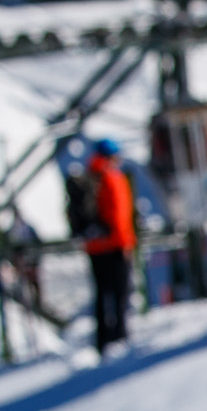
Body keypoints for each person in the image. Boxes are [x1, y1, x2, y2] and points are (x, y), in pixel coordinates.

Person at [83, 138, 135, 355]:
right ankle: (119, 337)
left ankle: (102, 339)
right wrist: (125, 243)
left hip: (95, 245)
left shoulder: (90, 176)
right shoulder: (112, 177)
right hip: (115, 244)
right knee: (120, 292)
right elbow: (119, 215)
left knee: (102, 294)